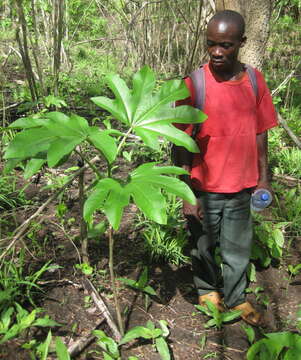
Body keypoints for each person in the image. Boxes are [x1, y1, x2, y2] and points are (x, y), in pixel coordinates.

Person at [173, 10, 278, 326]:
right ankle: (206, 289)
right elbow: (178, 141)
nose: (217, 52)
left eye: (226, 46)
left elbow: (261, 133)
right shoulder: (193, 84)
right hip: (202, 187)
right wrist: (185, 193)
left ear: (241, 43)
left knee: (237, 250)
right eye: (212, 44)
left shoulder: (255, 81)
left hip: (242, 188)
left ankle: (236, 298)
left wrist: (264, 179)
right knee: (202, 245)